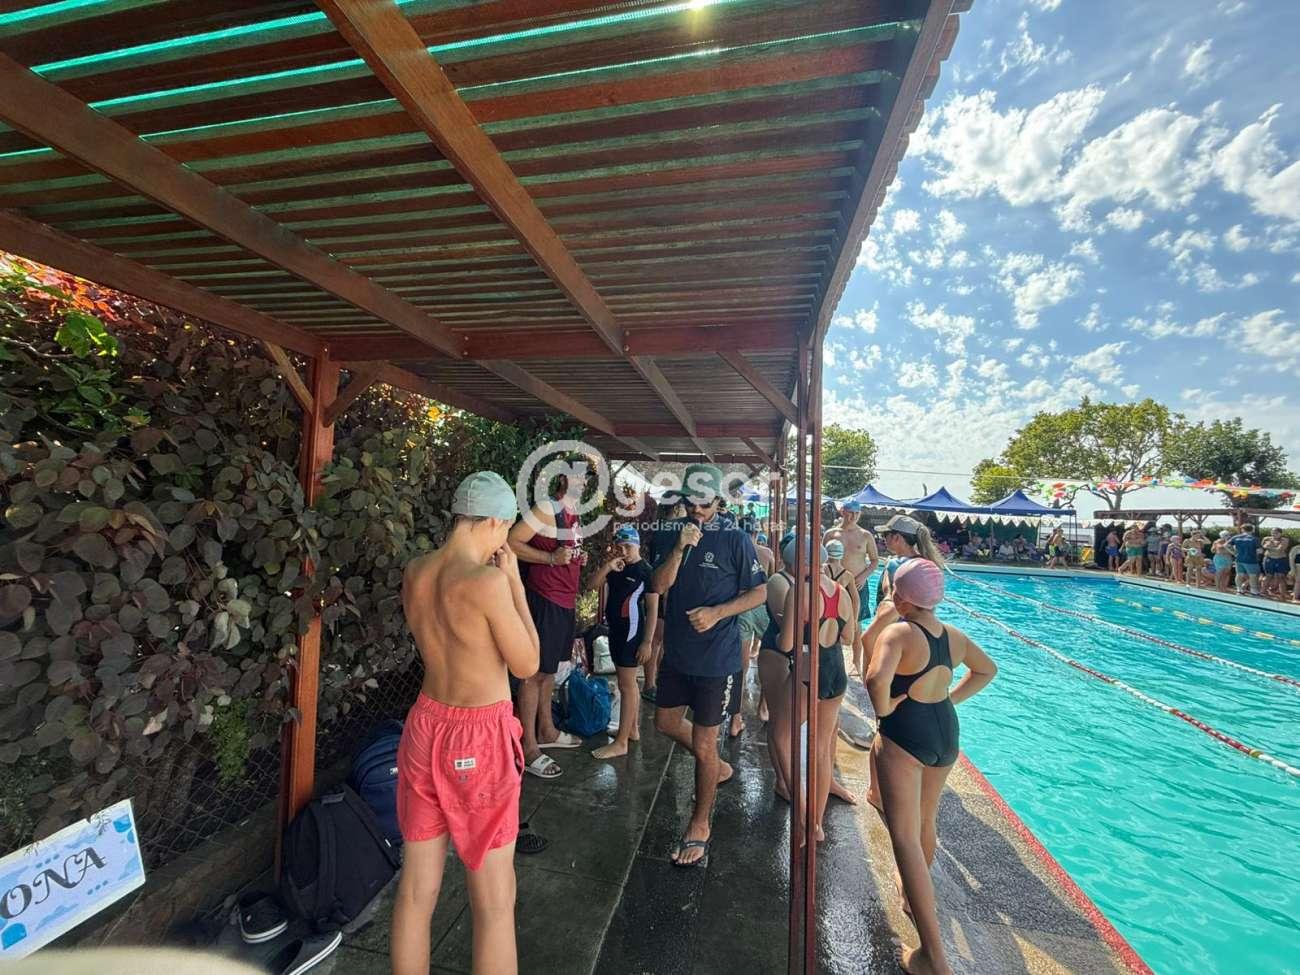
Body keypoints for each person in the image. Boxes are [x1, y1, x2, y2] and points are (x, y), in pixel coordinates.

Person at [393, 472, 539, 975]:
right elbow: (527, 663)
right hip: (480, 735)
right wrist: (516, 585)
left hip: (425, 725)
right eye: (506, 530)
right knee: (494, 899)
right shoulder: (487, 583)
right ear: (495, 522)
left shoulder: (416, 571)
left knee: (416, 891)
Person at [866, 560, 997, 975]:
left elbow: (875, 679)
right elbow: (987, 670)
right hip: (945, 733)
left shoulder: (899, 633)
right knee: (925, 820)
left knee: (903, 836)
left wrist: (885, 709)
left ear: (901, 597)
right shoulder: (953, 636)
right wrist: (948, 701)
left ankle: (933, 956)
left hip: (906, 734)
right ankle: (913, 895)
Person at [651, 464, 766, 866]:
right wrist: (679, 548)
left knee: (704, 744)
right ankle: (716, 766)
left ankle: (700, 823)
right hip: (677, 654)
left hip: (717, 658)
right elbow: (658, 586)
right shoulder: (669, 533)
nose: (697, 509)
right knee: (664, 723)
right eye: (690, 501)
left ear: (718, 500)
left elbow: (759, 592)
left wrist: (718, 613)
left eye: (704, 502)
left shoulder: (735, 539)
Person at [508, 469, 589, 780]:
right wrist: (550, 559)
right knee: (534, 673)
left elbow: (564, 551)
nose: (583, 481)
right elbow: (512, 541)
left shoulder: (573, 513)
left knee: (550, 670)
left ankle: (547, 731)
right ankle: (528, 747)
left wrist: (574, 557)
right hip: (545, 599)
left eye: (586, 476)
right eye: (577, 475)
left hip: (564, 601)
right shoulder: (547, 508)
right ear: (563, 478)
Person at [779, 536, 856, 843]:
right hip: (837, 672)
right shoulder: (841, 591)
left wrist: (787, 624)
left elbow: (787, 644)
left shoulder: (800, 591)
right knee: (822, 749)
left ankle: (800, 812)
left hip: (809, 669)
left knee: (781, 736)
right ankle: (817, 824)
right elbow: (848, 637)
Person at [588, 525, 659, 759]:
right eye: (620, 547)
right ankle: (632, 730)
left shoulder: (645, 571)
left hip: (632, 633)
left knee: (627, 685)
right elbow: (591, 585)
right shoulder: (616, 567)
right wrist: (608, 565)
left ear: (637, 545)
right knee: (627, 684)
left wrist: (647, 641)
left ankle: (621, 742)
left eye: (628, 546)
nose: (625, 551)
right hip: (616, 631)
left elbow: (652, 609)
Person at [640, 497, 686, 705]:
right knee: (657, 640)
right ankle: (650, 684)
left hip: (657, 587)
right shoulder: (669, 530)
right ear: (676, 508)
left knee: (658, 640)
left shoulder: (657, 528)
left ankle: (654, 683)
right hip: (662, 590)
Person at [733, 517, 775, 736]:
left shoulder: (733, 551)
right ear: (757, 534)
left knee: (741, 666)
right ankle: (764, 707)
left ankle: (735, 717)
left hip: (741, 606)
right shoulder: (766, 553)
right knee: (770, 659)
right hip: (760, 607)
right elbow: (773, 582)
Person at [823, 500, 878, 655]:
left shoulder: (865, 535)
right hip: (834, 583)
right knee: (829, 618)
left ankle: (856, 660)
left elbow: (875, 561)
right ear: (843, 512)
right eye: (850, 513)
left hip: (857, 584)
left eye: (857, 513)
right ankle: (830, 652)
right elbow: (821, 558)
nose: (853, 516)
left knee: (856, 624)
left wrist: (863, 576)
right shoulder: (831, 534)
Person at [1228, 524, 1262, 596]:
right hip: (1251, 560)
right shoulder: (1254, 539)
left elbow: (1226, 545)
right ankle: (1254, 591)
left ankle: (1239, 590)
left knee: (1239, 575)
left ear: (1242, 530)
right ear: (1252, 530)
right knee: (1253, 575)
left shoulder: (1236, 537)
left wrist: (1234, 553)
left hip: (1239, 559)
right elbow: (1260, 551)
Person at [1261, 528, 1291, 599]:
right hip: (1269, 560)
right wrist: (1273, 547)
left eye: (1276, 533)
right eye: (1272, 533)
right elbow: (1264, 546)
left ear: (1280, 533)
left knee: (1281, 577)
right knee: (1268, 576)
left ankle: (1283, 594)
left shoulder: (1285, 540)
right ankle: (1263, 592)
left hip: (1281, 560)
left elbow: (1280, 549)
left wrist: (1270, 547)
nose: (1273, 534)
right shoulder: (1266, 538)